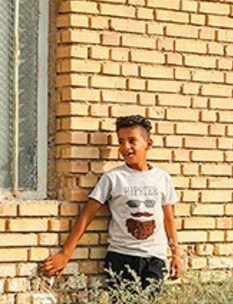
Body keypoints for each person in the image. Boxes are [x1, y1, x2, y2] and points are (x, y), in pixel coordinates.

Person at [39, 115, 182, 291]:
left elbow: (169, 219)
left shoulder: (162, 178)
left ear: (148, 144)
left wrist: (176, 255)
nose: (125, 147)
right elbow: (86, 216)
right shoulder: (113, 178)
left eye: (132, 141)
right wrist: (65, 253)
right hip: (121, 258)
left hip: (154, 258)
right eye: (121, 142)